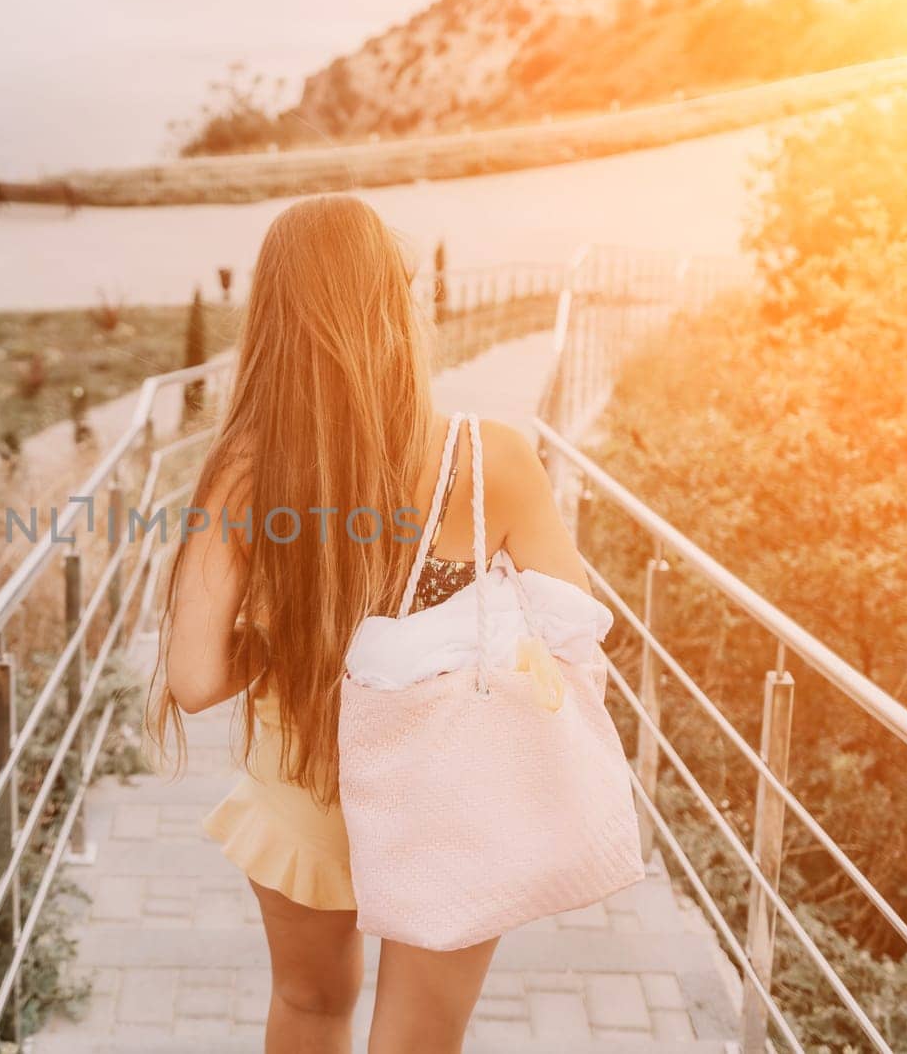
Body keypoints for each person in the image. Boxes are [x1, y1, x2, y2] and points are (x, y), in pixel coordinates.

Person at [155, 195, 591, 1054]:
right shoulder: (490, 458)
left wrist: (294, 632)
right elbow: (571, 629)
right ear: (399, 305)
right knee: (419, 1043)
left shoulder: (244, 470)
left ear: (273, 314)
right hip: (453, 793)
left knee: (313, 1006)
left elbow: (195, 679)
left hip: (307, 784)